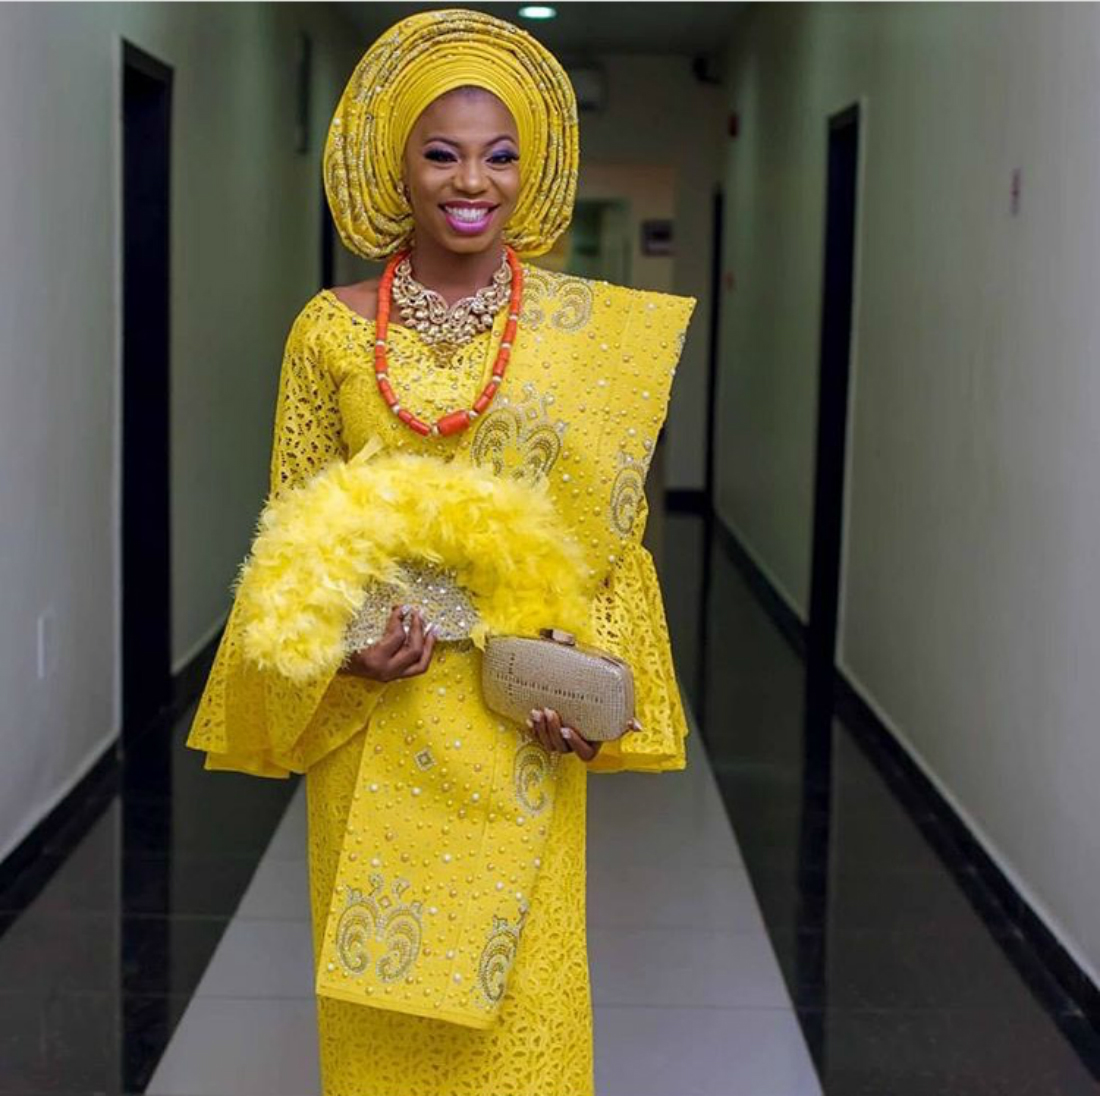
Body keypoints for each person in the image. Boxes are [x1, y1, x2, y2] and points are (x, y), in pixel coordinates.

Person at [187, 8, 695, 1094]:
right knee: (385, 1029)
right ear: (398, 168)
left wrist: (583, 674)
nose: (475, 179)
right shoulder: (329, 329)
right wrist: (344, 654)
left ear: (532, 171)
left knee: (522, 1016)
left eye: (501, 153)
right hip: (378, 718)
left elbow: (607, 543)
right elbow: (294, 533)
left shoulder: (575, 332)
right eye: (443, 152)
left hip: (517, 715)